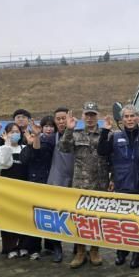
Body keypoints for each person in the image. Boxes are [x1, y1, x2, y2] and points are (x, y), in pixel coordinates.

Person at [98, 105, 139, 268]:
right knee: (122, 221)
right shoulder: (115, 136)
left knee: (138, 221)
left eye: (132, 116)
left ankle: (136, 254)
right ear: (122, 119)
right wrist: (105, 131)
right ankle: (121, 251)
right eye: (126, 116)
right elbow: (102, 151)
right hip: (121, 183)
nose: (129, 119)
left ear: (137, 118)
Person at [60, 102, 111, 268]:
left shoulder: (106, 133)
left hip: (100, 184)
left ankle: (95, 250)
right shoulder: (76, 134)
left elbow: (111, 157)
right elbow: (63, 148)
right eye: (87, 115)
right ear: (83, 116)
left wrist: (113, 179)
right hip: (80, 185)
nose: (90, 118)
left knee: (97, 219)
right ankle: (80, 252)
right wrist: (68, 129)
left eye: (93, 115)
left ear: (98, 116)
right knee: (79, 220)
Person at [19, 116, 56, 260]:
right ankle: (34, 248)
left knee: (50, 216)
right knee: (35, 216)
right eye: (46, 126)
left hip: (51, 182)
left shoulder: (55, 142)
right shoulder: (32, 143)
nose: (49, 129)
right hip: (35, 183)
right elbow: (34, 152)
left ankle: (51, 246)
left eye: (51, 126)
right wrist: (35, 139)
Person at [0, 123, 29, 258]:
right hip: (7, 190)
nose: (15, 134)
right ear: (6, 134)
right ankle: (10, 248)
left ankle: (24, 246)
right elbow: (4, 163)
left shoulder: (25, 148)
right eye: (11, 132)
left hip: (24, 189)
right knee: (8, 218)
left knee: (23, 218)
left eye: (17, 132)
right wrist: (7, 145)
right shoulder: (1, 149)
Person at [45, 107, 75, 262]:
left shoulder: (77, 135)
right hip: (56, 179)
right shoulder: (51, 138)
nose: (62, 121)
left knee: (75, 215)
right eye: (59, 119)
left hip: (75, 179)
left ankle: (78, 247)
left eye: (64, 118)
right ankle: (57, 247)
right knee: (55, 215)